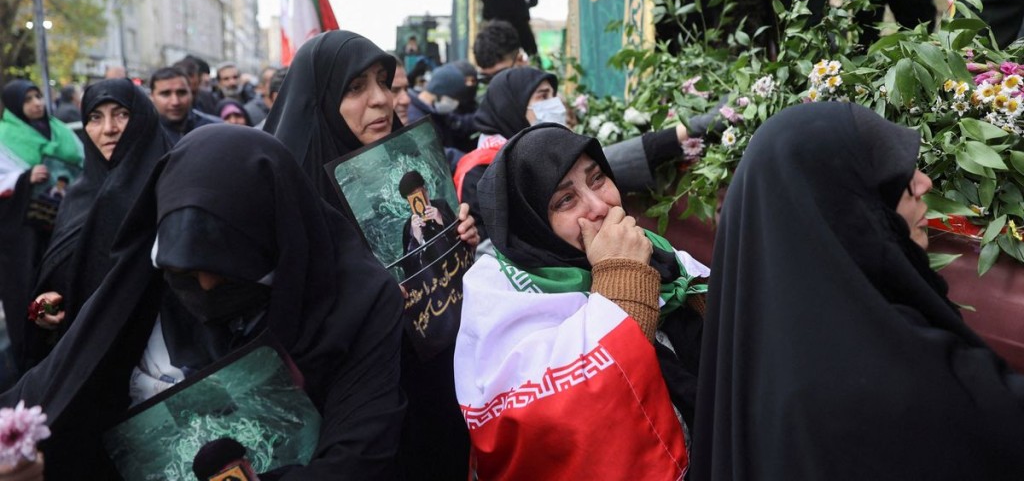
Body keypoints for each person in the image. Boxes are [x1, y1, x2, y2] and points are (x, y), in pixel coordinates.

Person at [0, 125, 406, 479]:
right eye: (186, 275)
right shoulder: (136, 297)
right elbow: (45, 395)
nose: (207, 291)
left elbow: (360, 455)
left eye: (232, 274)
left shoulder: (361, 301)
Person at [691, 102, 1024, 480]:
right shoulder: (896, 385)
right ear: (843, 210)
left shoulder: (755, 361)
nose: (922, 183)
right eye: (889, 176)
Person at [264, 30, 479, 481]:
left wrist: (459, 240)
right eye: (356, 88)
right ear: (321, 99)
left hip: (437, 390)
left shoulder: (410, 166)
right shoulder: (285, 201)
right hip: (356, 423)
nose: (382, 100)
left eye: (384, 81)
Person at [455, 123, 708, 478]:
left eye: (598, 178)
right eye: (565, 200)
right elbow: (562, 428)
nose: (599, 207)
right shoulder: (502, 299)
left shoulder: (659, 254)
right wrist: (622, 278)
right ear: (532, 224)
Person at [24, 79, 173, 369]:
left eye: (121, 114)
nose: (108, 129)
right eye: (95, 117)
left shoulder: (170, 182)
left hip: (167, 360)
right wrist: (43, 306)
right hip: (91, 360)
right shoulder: (79, 195)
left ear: (141, 117)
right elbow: (56, 280)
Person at [456, 67, 694, 247]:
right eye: (542, 95)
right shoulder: (480, 173)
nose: (599, 207)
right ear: (511, 106)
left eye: (597, 178)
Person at [0, 80, 83, 373]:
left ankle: (69, 347)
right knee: (31, 292)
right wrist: (24, 179)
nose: (37, 103)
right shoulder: (4, 137)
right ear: (13, 107)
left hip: (63, 227)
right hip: (26, 240)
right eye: (28, 100)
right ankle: (36, 360)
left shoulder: (59, 130)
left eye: (38, 96)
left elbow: (81, 162)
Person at [149, 66, 221, 143]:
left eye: (182, 93)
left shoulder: (215, 129)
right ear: (152, 96)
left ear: (191, 94)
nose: (175, 102)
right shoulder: (143, 133)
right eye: (166, 94)